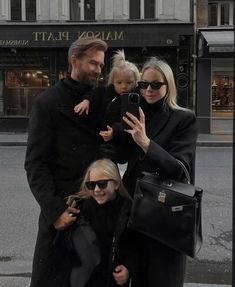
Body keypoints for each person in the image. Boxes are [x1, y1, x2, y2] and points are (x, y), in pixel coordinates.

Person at [24, 37, 108, 287]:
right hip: (64, 212)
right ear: (75, 61)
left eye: (102, 65)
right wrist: (54, 211)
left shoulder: (102, 102)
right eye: (93, 63)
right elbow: (36, 164)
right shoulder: (47, 103)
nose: (97, 70)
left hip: (97, 209)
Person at [121, 56, 198, 287]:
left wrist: (145, 143)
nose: (149, 90)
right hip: (135, 214)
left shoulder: (183, 118)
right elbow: (122, 156)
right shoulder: (134, 114)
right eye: (144, 84)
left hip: (166, 218)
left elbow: (180, 170)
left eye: (156, 84)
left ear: (169, 85)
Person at [68, 158, 139, 287]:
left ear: (116, 184)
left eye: (102, 184)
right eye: (91, 185)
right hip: (86, 279)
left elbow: (137, 245)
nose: (96, 190)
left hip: (113, 278)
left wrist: (129, 268)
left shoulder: (127, 210)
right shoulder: (81, 209)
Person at [74, 49, 140, 142]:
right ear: (113, 82)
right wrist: (87, 101)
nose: (124, 86)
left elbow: (130, 124)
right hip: (99, 137)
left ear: (136, 82)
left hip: (120, 142)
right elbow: (95, 94)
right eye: (119, 82)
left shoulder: (136, 100)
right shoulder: (107, 92)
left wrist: (115, 132)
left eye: (129, 82)